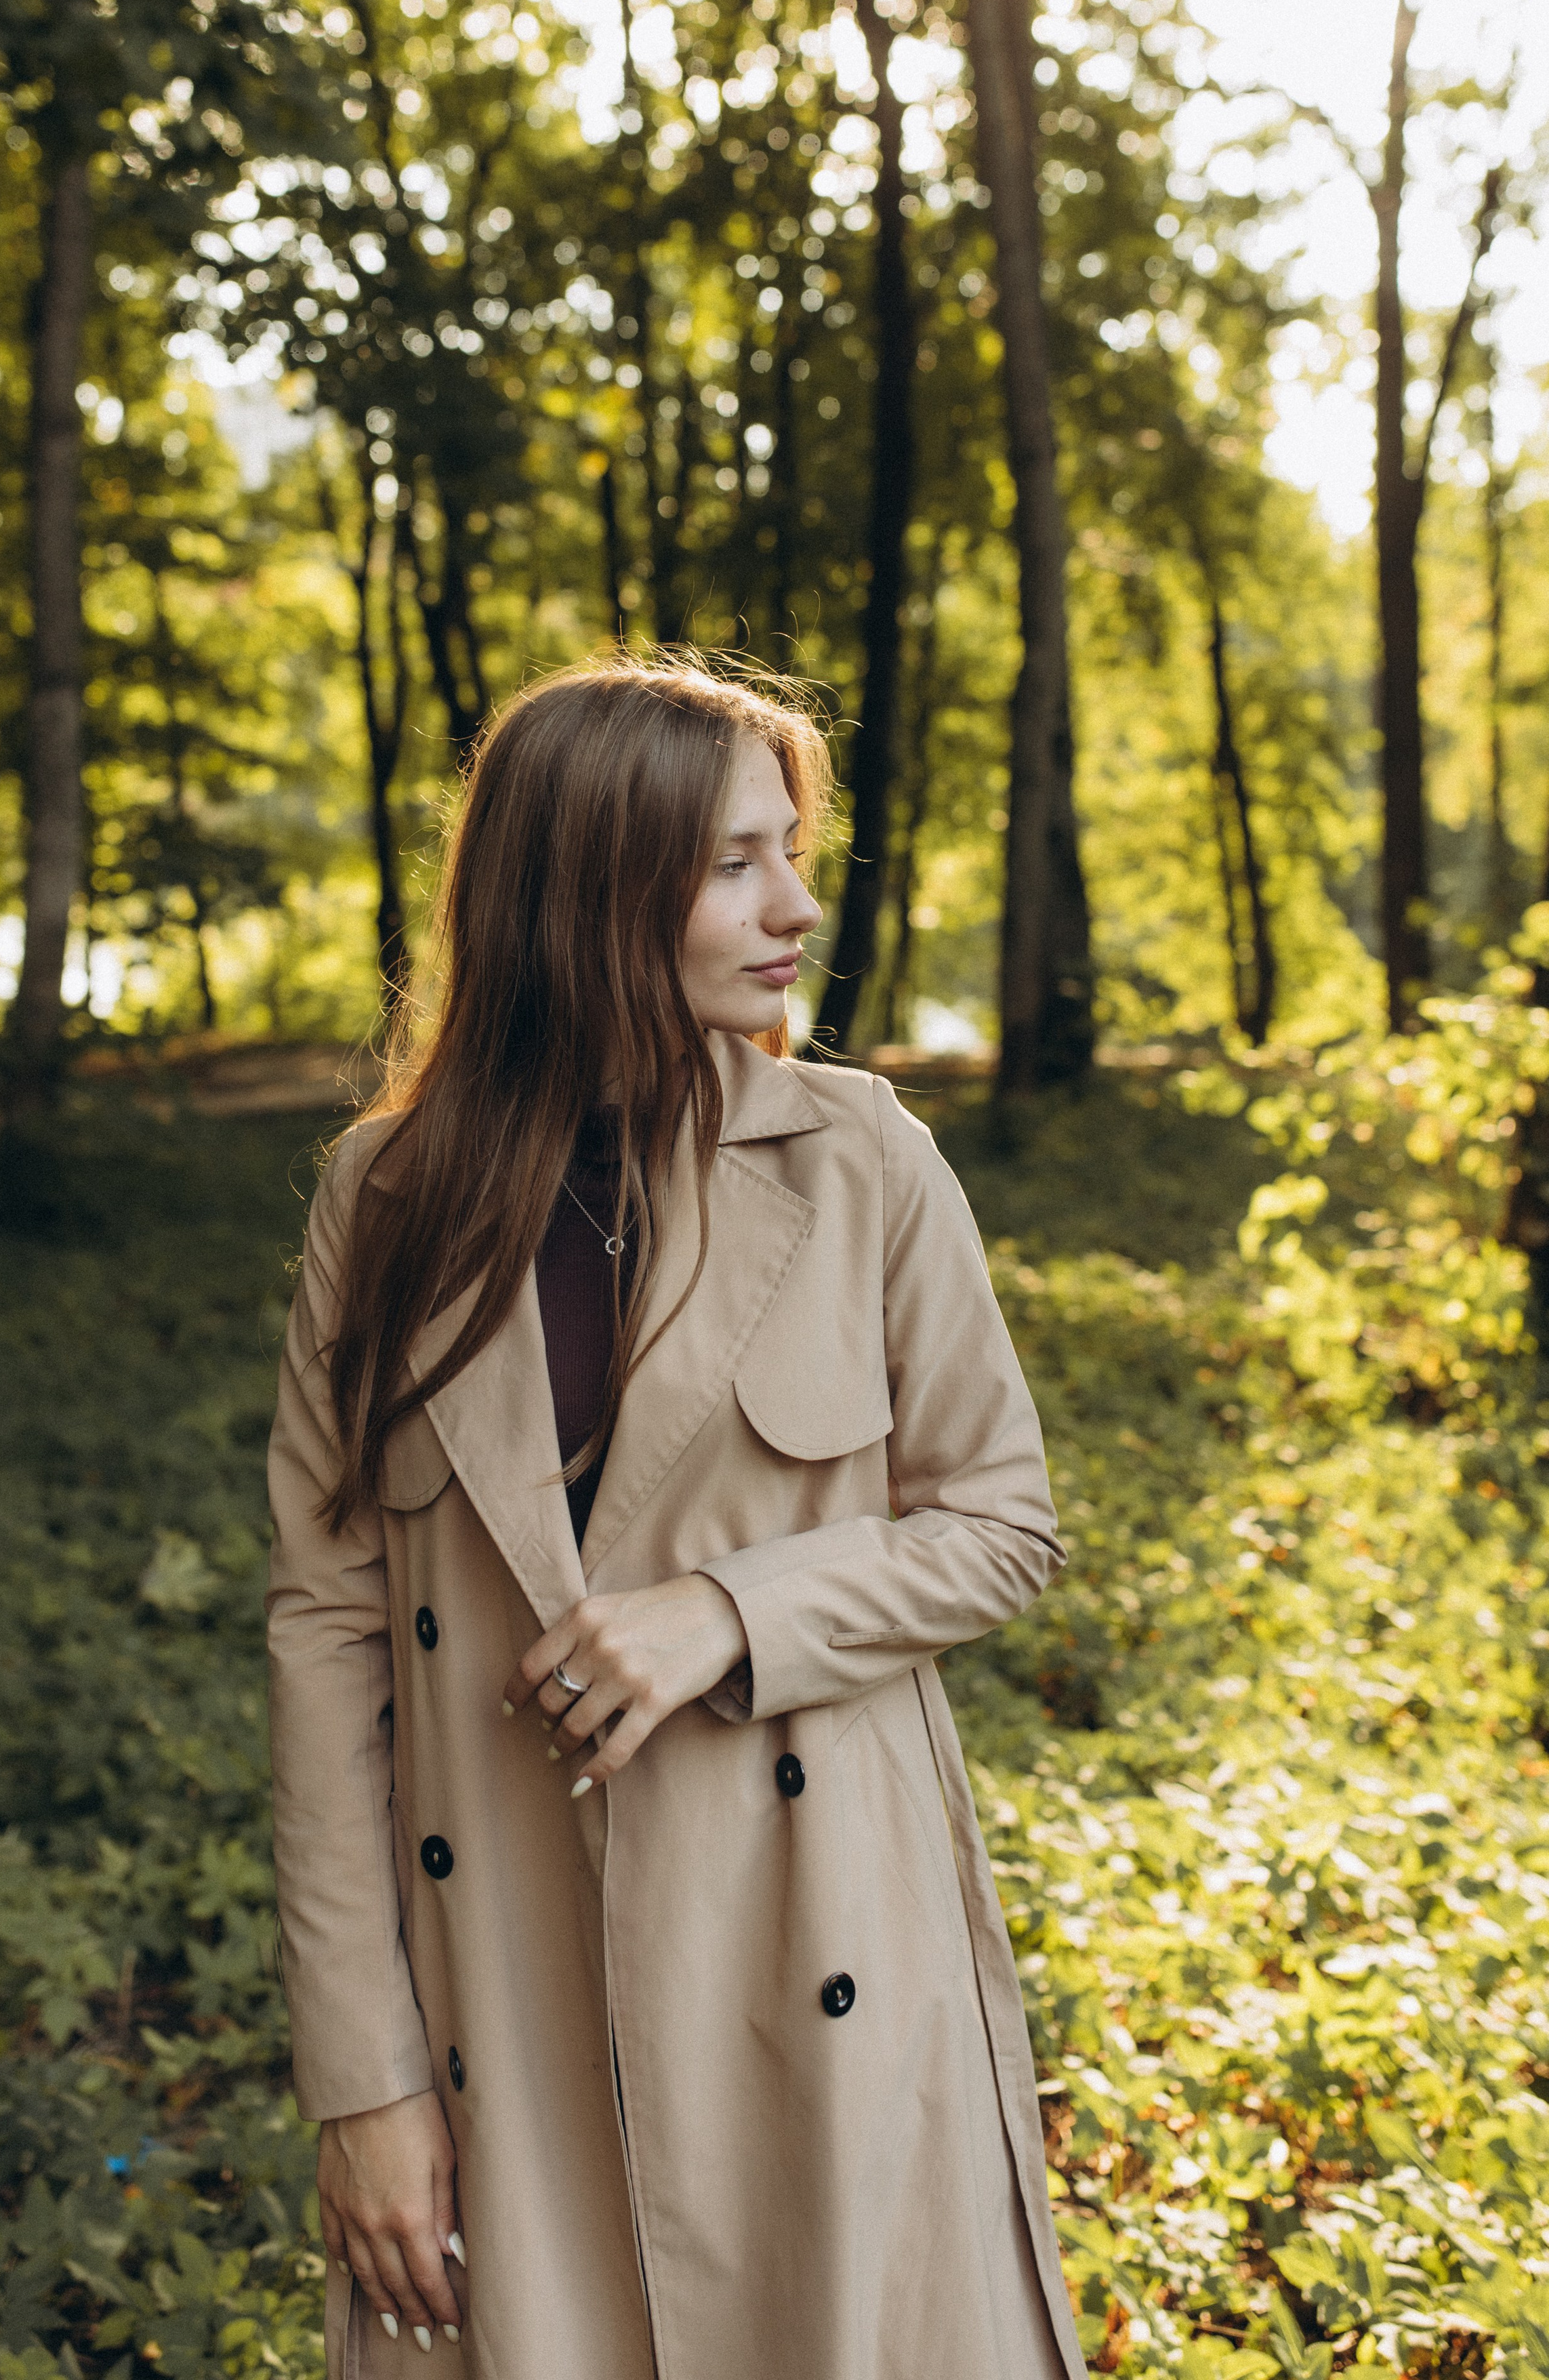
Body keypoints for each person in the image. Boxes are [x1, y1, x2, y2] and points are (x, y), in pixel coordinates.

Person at [266, 659, 1086, 2380]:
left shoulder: (863, 1162)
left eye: (791, 850)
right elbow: (328, 1631)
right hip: (501, 1972)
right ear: (583, 890)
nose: (796, 906)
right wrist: (365, 2081)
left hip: (816, 1952)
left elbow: (999, 1521)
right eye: (733, 864)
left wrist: (730, 1612)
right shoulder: (387, 1198)